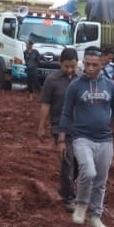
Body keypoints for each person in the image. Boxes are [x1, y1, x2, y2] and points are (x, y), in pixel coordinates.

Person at [58, 47, 114, 227]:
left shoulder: (110, 86)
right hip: (81, 137)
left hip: (105, 139)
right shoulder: (75, 86)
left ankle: (96, 216)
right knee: (88, 172)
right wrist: (61, 140)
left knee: (100, 181)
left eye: (94, 65)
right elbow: (66, 113)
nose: (89, 68)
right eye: (87, 64)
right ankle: (81, 205)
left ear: (101, 64)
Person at [38, 48, 80, 210]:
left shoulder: (81, 80)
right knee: (67, 162)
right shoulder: (51, 81)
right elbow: (45, 105)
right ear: (60, 63)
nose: (70, 70)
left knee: (79, 164)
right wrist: (41, 127)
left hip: (80, 129)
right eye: (66, 66)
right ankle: (69, 197)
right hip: (60, 128)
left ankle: (65, 187)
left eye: (73, 66)